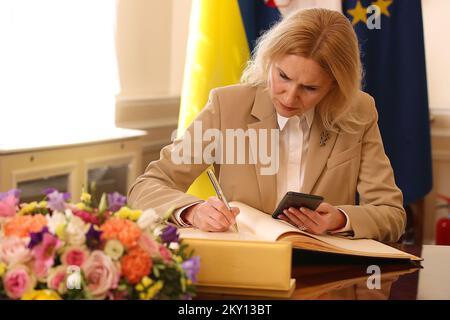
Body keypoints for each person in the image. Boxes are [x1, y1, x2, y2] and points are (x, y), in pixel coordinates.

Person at [128, 8, 406, 242]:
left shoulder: (358, 111)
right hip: (244, 269)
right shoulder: (228, 106)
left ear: (335, 88)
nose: (289, 95)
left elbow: (392, 214)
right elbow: (146, 187)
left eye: (309, 88)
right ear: (269, 60)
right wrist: (192, 211)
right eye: (282, 76)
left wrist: (340, 219)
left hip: (324, 274)